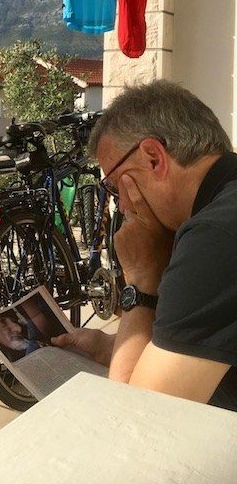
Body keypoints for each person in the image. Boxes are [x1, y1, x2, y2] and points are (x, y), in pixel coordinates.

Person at [52, 79, 237, 410]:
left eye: (115, 186)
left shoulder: (214, 238)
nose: (122, 206)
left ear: (153, 158)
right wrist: (108, 347)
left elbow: (137, 415)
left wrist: (141, 276)